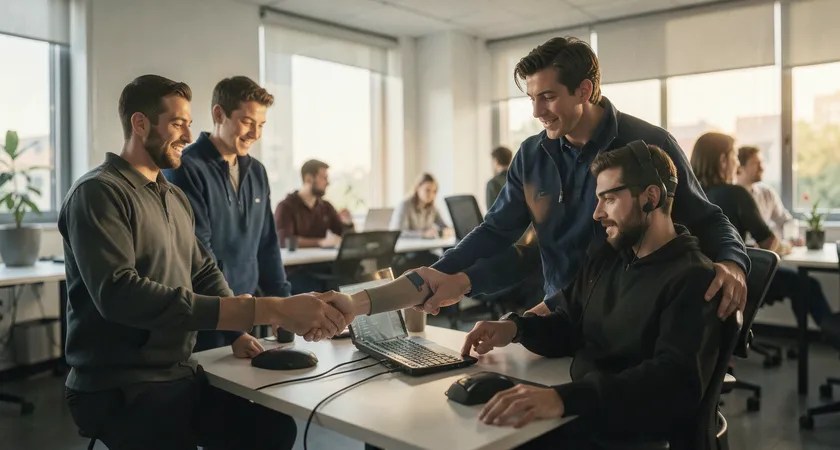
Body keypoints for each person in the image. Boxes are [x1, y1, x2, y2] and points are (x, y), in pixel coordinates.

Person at [318, 144, 726, 447]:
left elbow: (673, 383)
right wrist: (514, 328)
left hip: (623, 429)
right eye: (597, 199)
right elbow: (572, 326)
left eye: (610, 199)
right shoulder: (610, 257)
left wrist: (561, 400)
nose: (597, 214)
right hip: (583, 407)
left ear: (651, 197)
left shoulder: (693, 278)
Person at [59, 75, 347, 450]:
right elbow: (119, 294)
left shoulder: (172, 197)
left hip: (176, 373)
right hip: (119, 383)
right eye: (177, 123)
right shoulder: (99, 193)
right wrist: (263, 308)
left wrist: (240, 328)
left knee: (273, 431)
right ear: (140, 123)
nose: (187, 134)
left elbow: (204, 270)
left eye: (189, 123)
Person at [411, 36, 749, 320]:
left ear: (584, 90)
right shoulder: (530, 156)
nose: (536, 112)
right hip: (557, 316)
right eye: (531, 98)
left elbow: (708, 219)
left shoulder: (649, 145)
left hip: (631, 322)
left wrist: (732, 262)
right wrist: (439, 273)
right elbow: (496, 231)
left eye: (548, 97)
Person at [165, 76, 293, 351]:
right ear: (218, 114)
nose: (255, 134)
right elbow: (197, 255)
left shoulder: (257, 171)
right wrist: (233, 330)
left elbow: (267, 243)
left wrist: (283, 306)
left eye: (261, 125)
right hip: (207, 320)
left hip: (246, 316)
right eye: (247, 122)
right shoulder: (185, 168)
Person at [691, 132, 832, 328]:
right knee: (806, 285)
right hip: (737, 280)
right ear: (723, 160)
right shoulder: (736, 194)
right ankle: (828, 334)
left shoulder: (690, 196)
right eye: (734, 157)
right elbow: (770, 243)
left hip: (702, 285)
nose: (737, 165)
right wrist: (787, 245)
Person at [274, 159, 354, 249]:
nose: (328, 183)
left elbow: (345, 235)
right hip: (298, 262)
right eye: (324, 178)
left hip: (322, 260)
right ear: (308, 179)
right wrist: (320, 242)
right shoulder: (285, 207)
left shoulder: (326, 207)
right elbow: (284, 241)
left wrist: (348, 222)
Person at [736, 145, 803, 245]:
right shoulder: (729, 196)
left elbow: (785, 220)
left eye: (762, 163)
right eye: (756, 164)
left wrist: (793, 237)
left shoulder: (767, 194)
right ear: (740, 168)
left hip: (764, 252)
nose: (762, 168)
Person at [390, 172, 454, 239]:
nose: (431, 195)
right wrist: (423, 234)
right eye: (427, 190)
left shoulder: (432, 208)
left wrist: (447, 230)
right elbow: (398, 233)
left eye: (434, 191)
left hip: (424, 246)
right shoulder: (405, 205)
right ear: (418, 188)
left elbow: (444, 226)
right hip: (406, 247)